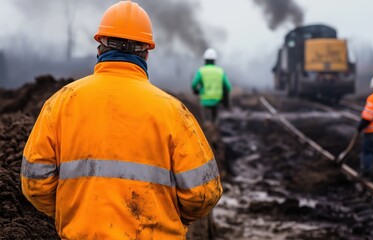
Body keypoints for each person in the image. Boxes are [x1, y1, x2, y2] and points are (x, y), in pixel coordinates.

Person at [20, 1, 222, 239]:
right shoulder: (174, 112)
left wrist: (73, 212)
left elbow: (34, 183)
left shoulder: (60, 103)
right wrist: (170, 217)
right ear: (146, 52)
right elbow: (204, 193)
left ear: (99, 48)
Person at [192, 48, 232, 123]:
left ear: (205, 60)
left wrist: (197, 91)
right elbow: (228, 87)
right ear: (214, 60)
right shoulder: (220, 71)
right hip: (217, 101)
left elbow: (194, 85)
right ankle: (214, 127)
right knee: (215, 121)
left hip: (204, 100)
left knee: (205, 123)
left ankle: (206, 127)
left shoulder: (201, 71)